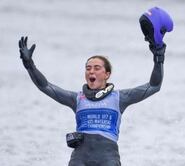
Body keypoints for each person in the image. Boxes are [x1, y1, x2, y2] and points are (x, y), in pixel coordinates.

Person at [19, 7, 172, 166]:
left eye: (96, 68)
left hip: (108, 157)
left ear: (107, 74)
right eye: (88, 68)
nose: (91, 71)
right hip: (80, 157)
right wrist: (30, 65)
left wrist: (158, 57)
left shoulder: (120, 98)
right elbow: (46, 87)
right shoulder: (76, 99)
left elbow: (154, 86)